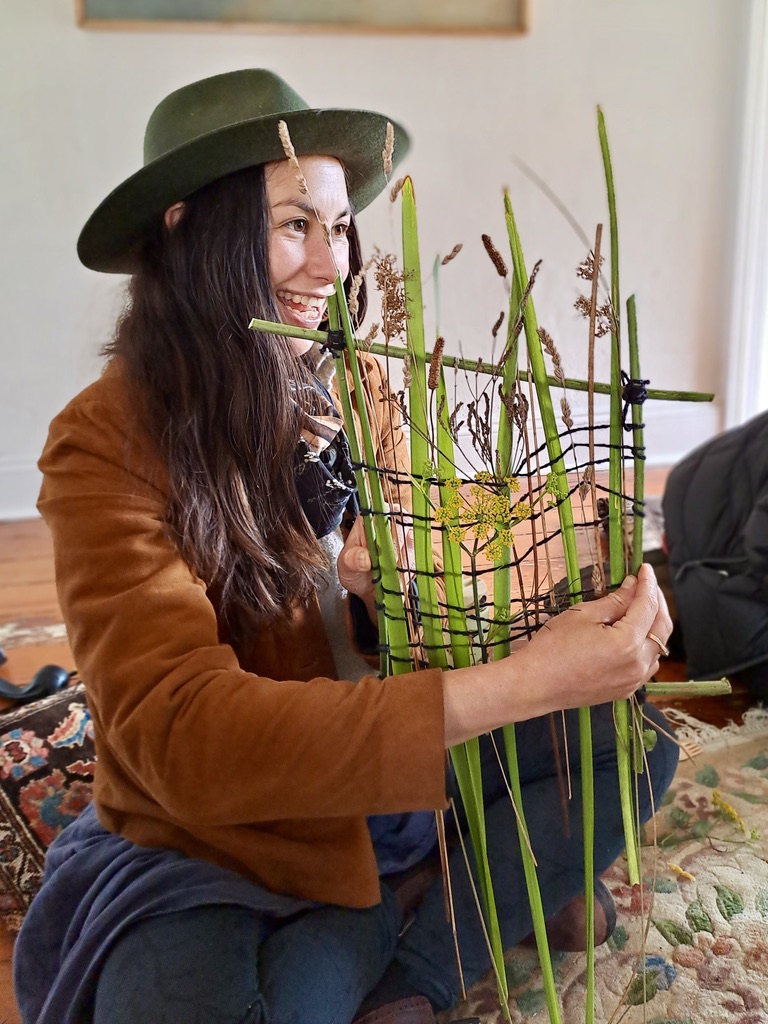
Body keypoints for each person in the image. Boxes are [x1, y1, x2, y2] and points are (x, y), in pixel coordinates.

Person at [13, 69, 677, 1024]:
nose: (332, 266)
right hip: (234, 824)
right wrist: (527, 681)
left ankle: (422, 964)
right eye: (294, 225)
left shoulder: (354, 384)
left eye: (340, 228)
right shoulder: (108, 441)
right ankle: (422, 897)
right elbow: (183, 735)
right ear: (186, 229)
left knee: (630, 742)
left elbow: (421, 595)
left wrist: (512, 591)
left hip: (398, 763)